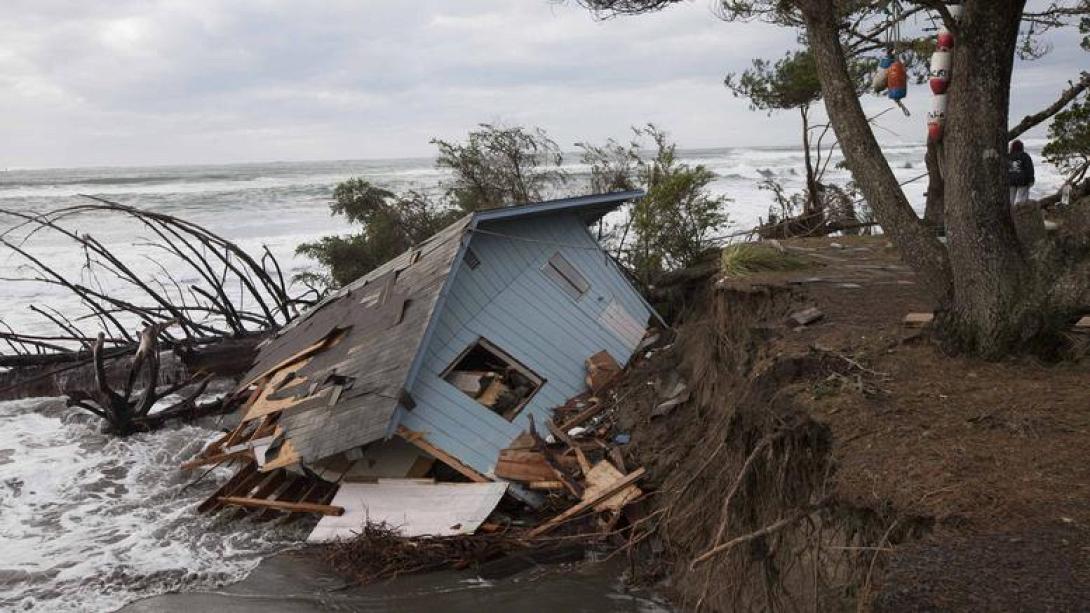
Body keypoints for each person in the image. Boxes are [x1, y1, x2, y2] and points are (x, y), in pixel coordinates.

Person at [1008, 140, 1035, 205]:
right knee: (1022, 199)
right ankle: (1020, 212)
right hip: (1022, 180)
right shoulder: (1025, 156)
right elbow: (1029, 169)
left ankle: (1009, 212)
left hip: (1010, 180)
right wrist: (1031, 180)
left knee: (1010, 199)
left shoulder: (1008, 156)